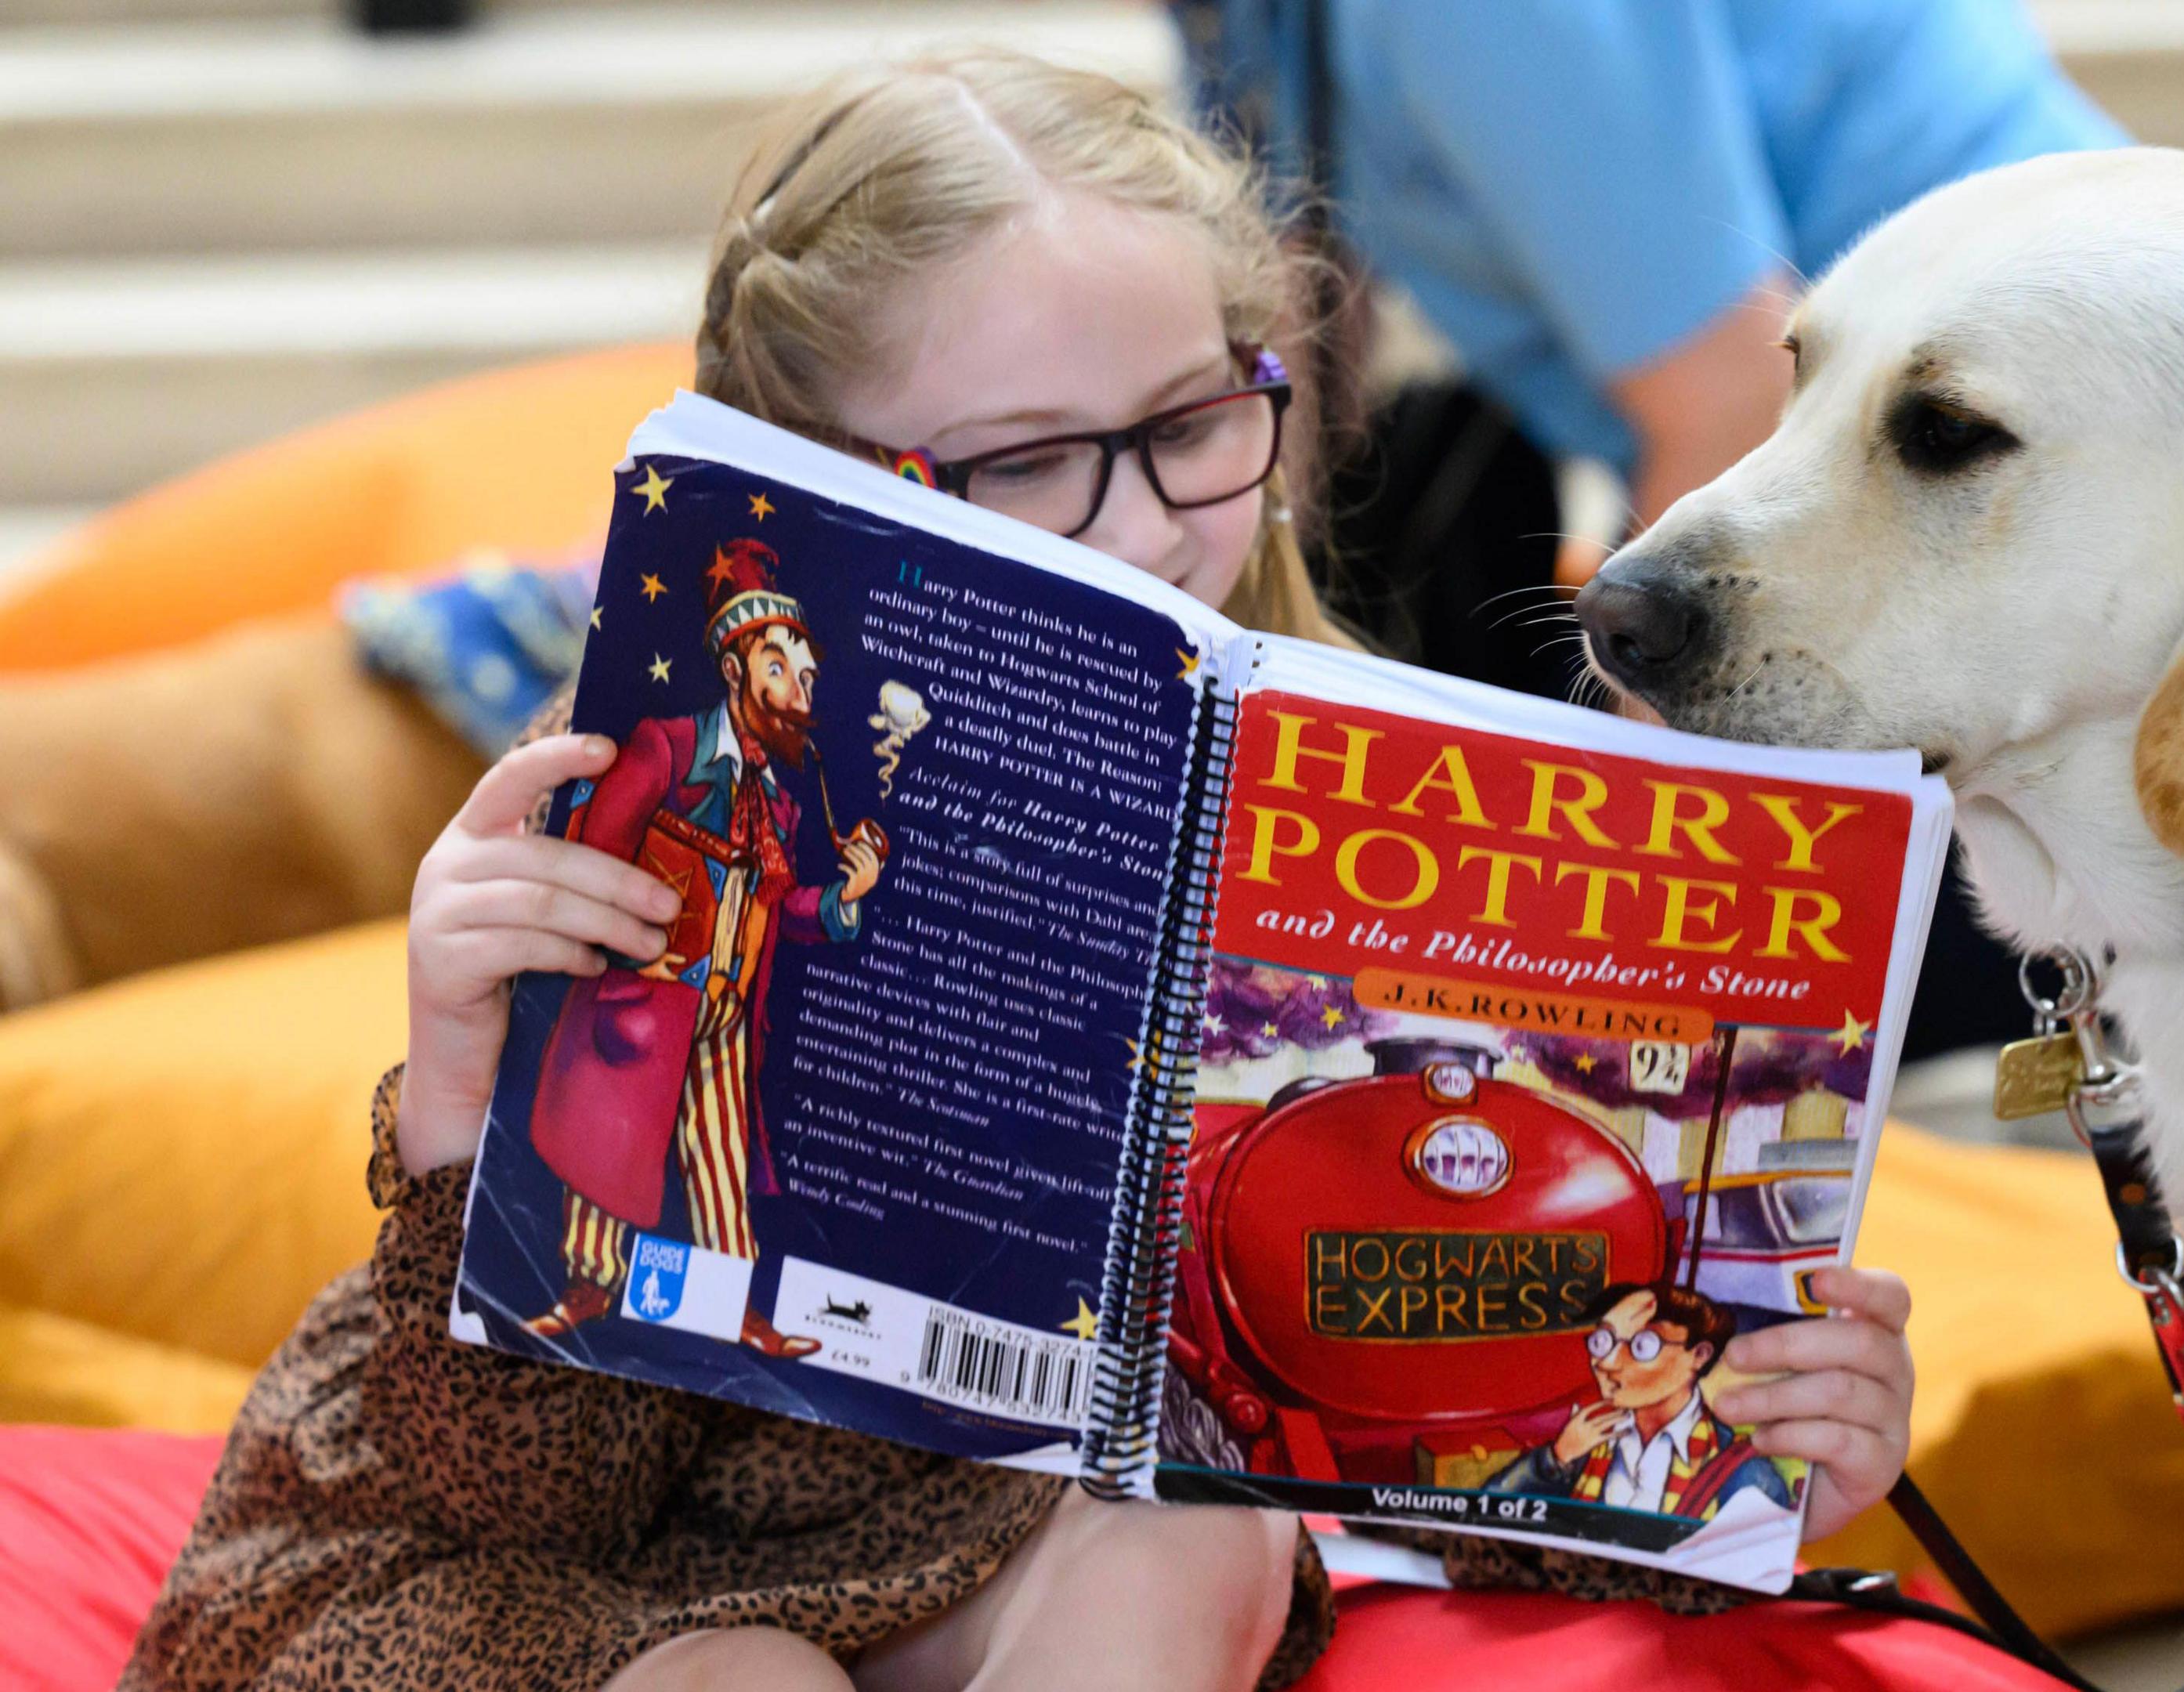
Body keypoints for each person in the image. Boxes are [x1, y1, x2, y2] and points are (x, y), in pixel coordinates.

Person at [125, 48, 1918, 1692]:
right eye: (1030, 462)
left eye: (1193, 423)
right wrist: (465, 1105)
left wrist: (1737, 1434)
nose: (1141, 525)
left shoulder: (1365, 803)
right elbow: (527, 1499)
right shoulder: (671, 809)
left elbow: (1401, 1412)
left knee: (1204, 1523)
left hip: (952, 1560)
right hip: (523, 1581)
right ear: (810, 486)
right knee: (734, 1680)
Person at [1184, 0, 2124, 1060]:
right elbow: (1290, 349)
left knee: (1668, 1025)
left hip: (2036, 560)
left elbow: (1731, 396)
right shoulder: (1237, 20)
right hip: (1867, 534)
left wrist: (1632, 930)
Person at [518, 538, 886, 1355]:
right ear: (736, 670)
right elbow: (595, 850)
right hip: (645, 998)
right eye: (782, 671)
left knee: (720, 1160)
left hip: (725, 1010)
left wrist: (843, 898)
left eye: (809, 679)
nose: (799, 693)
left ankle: (732, 1306)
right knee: (610, 1142)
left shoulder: (783, 807)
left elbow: (782, 908)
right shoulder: (666, 747)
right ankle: (589, 1281)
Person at [1489, 1282, 1794, 1520]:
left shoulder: (1745, 1477)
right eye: (1602, 1340)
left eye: (1642, 1345)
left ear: (1699, 1356)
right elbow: (1484, 1515)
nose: (1606, 1362)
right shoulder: (1581, 1447)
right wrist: (1555, 1461)